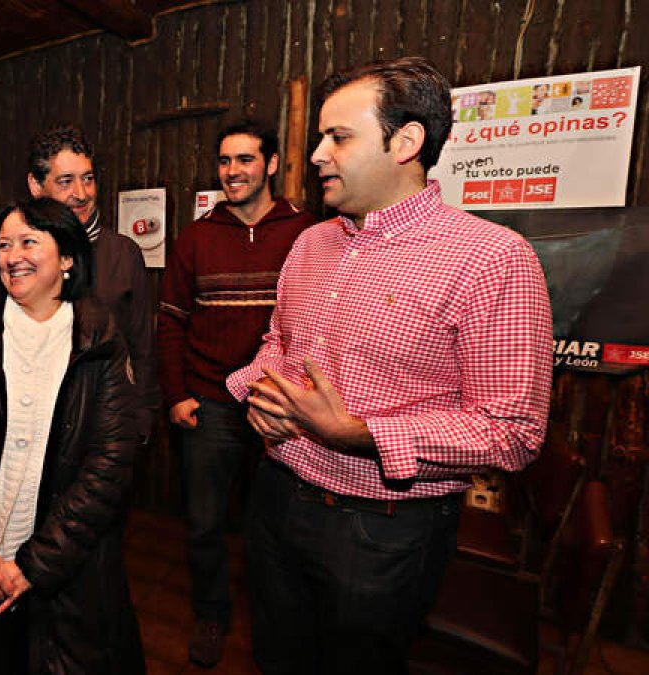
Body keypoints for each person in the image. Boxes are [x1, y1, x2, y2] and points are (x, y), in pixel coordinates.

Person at [225, 56, 552, 674]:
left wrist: (361, 433)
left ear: (406, 142)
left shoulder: (492, 260)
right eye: (320, 136)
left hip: (382, 531)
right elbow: (278, 340)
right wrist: (262, 393)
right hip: (273, 500)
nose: (317, 154)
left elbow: (513, 430)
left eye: (339, 137)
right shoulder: (311, 242)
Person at [0, 198, 145, 674]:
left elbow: (108, 467)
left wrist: (35, 566)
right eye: (4, 245)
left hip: (63, 579)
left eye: (29, 242)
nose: (12, 256)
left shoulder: (101, 340)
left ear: (69, 258)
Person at [158, 119, 316, 667]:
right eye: (225, 162)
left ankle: (283, 620)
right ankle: (211, 613)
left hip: (283, 406)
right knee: (204, 522)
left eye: (245, 160)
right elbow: (171, 320)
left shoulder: (308, 232)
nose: (233, 172)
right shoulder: (197, 236)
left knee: (282, 527)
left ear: (270, 164)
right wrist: (176, 394)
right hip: (211, 404)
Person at [0, 127, 158, 440]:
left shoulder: (123, 253)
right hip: (24, 422)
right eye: (65, 181)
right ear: (35, 185)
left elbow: (141, 346)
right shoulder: (6, 255)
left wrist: (142, 417)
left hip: (104, 423)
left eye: (87, 178)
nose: (82, 193)